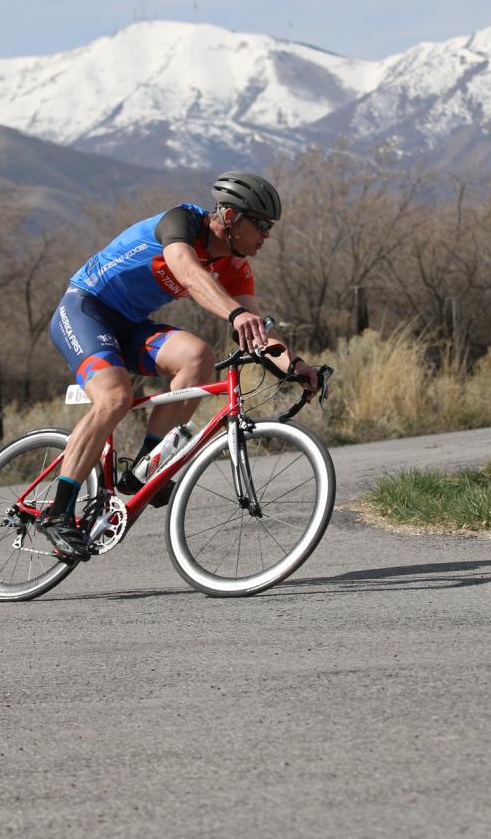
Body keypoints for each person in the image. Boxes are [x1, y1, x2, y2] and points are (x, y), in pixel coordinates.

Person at [40, 170, 323, 560]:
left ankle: (145, 466)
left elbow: (261, 334)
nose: (266, 236)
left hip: (129, 326)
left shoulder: (236, 267)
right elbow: (188, 273)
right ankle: (57, 512)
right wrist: (235, 313)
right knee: (115, 397)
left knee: (198, 357)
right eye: (260, 225)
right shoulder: (181, 223)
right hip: (85, 309)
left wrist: (297, 367)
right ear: (230, 216)